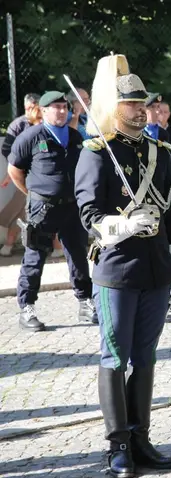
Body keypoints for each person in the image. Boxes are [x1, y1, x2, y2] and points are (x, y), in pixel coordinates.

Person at [74, 54, 171, 477]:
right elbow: (89, 215)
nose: (140, 109)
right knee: (115, 356)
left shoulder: (160, 151)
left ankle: (141, 438)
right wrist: (119, 224)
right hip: (117, 268)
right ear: (113, 108)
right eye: (132, 103)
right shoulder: (97, 153)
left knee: (146, 355)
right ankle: (117, 444)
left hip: (155, 267)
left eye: (143, 103)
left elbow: (170, 214)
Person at [7, 91, 96, 330]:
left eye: (64, 107)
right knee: (34, 256)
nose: (61, 111)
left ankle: (85, 302)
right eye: (55, 107)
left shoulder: (76, 137)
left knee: (78, 255)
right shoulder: (31, 137)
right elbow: (14, 170)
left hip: (72, 207)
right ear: (44, 111)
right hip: (42, 209)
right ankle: (27, 309)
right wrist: (32, 193)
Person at [1, 93, 41, 257]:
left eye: (33, 108)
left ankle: (9, 244)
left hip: (39, 173)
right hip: (25, 174)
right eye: (28, 108)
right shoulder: (18, 125)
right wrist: (17, 167)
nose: (30, 111)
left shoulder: (45, 123)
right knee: (25, 208)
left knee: (24, 210)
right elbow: (7, 150)